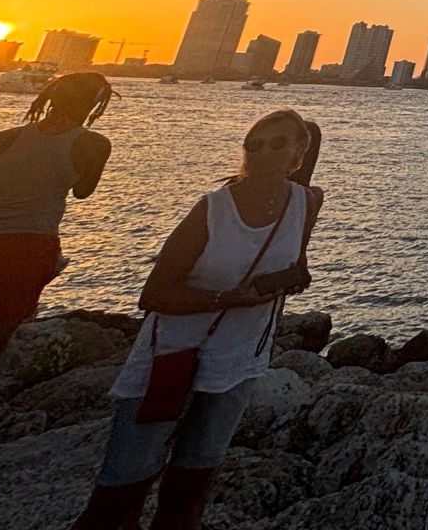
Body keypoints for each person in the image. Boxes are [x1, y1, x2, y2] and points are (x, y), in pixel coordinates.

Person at [72, 108, 323, 530]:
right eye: (254, 144)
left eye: (277, 143)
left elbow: (297, 263)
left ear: (299, 151)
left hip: (238, 362)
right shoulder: (212, 209)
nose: (262, 152)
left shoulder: (306, 202)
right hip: (169, 356)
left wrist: (289, 281)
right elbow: (154, 294)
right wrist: (228, 299)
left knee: (189, 490)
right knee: (120, 494)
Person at [0, 71, 114, 477]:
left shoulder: (5, 138)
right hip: (31, 247)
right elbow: (83, 191)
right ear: (93, 104)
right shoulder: (93, 143)